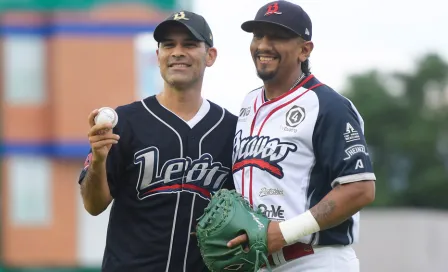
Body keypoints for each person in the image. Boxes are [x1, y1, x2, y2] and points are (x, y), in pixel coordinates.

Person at [78, 10, 237, 272]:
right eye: (168, 45)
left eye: (189, 44)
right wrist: (98, 159)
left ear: (210, 56)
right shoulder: (125, 122)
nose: (177, 52)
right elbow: (93, 205)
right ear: (158, 56)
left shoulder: (231, 129)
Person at [229, 1, 376, 271]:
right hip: (259, 262)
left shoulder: (327, 105)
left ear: (304, 49)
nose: (263, 45)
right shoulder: (248, 104)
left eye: (277, 36)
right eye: (258, 35)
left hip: (315, 259)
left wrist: (283, 233)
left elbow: (360, 189)